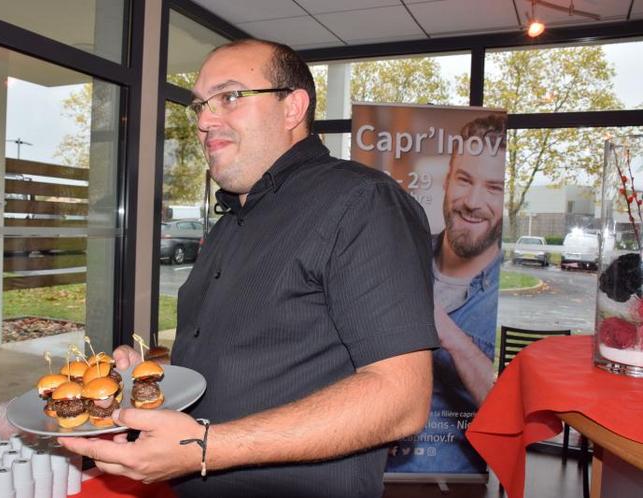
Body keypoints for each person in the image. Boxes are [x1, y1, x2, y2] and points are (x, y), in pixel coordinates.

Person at [60, 38, 440, 498]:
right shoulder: (230, 222)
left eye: (230, 96)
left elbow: (401, 399)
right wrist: (150, 378)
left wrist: (205, 448)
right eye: (200, 104)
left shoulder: (362, 203)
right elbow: (245, 358)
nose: (204, 120)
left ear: (292, 107)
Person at [390, 115, 506, 474]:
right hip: (368, 466)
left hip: (452, 480)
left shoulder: (501, 296)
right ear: (447, 181)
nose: (472, 202)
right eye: (465, 180)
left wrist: (450, 336)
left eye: (493, 187)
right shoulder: (401, 256)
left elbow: (507, 412)